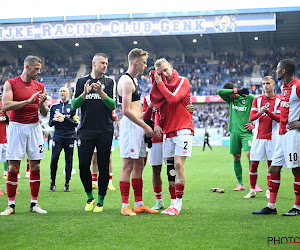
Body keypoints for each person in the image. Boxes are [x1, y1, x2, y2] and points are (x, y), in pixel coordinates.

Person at [0, 55, 48, 215]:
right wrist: (28, 101)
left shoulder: (40, 86)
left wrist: (41, 104)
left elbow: (45, 113)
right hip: (16, 127)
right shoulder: (11, 83)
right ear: (27, 67)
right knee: (13, 167)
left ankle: (34, 204)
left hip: (34, 127)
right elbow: (6, 105)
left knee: (35, 166)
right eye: (36, 69)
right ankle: (11, 206)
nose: (38, 72)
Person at [253, 59, 300, 216]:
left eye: (278, 69)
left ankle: (297, 207)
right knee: (274, 168)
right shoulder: (284, 87)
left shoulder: (297, 86)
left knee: (296, 169)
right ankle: (271, 206)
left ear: (284, 71)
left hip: (294, 135)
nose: (276, 71)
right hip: (282, 134)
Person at [71, 53, 116, 213]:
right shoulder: (82, 81)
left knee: (103, 165)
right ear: (94, 63)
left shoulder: (109, 82)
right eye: (102, 63)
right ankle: (90, 196)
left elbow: (113, 105)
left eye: (106, 63)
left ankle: (100, 201)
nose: (105, 65)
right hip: (85, 131)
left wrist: (101, 93)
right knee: (83, 165)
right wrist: (84, 93)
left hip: (105, 130)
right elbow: (74, 105)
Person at [150, 58, 194, 215]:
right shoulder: (160, 89)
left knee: (178, 164)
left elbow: (173, 99)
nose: (165, 74)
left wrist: (159, 83)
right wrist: (156, 123)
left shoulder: (183, 80)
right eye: (161, 73)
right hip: (167, 132)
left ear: (172, 67)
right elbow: (158, 107)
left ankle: (178, 204)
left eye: (166, 70)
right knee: (170, 169)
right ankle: (172, 203)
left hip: (183, 129)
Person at [118, 48, 157, 216]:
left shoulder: (134, 80)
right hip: (131, 126)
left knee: (140, 164)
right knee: (128, 165)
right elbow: (126, 110)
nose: (145, 66)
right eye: (144, 62)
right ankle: (125, 205)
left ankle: (139, 204)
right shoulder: (126, 81)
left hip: (138, 126)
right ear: (136, 62)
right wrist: (145, 126)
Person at [218, 83, 262, 191]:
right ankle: (240, 183)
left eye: (230, 94)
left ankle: (254, 184)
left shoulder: (249, 98)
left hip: (246, 133)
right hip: (234, 132)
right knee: (236, 157)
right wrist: (236, 91)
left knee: (250, 155)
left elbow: (262, 109)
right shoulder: (230, 100)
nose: (229, 96)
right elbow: (220, 92)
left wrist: (254, 124)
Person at [244, 76, 280, 199]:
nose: (265, 86)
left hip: (273, 138)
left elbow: (279, 119)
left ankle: (269, 191)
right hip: (258, 137)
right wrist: (261, 112)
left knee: (271, 165)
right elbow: (251, 117)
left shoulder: (279, 101)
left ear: (274, 85)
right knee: (253, 164)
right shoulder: (257, 100)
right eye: (264, 83)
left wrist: (267, 112)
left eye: (268, 83)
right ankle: (252, 190)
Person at [48, 87, 78, 192]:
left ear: (68, 93)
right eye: (60, 91)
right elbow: (50, 124)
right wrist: (55, 119)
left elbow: (76, 123)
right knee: (54, 158)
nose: (62, 93)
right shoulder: (54, 106)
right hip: (58, 136)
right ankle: (52, 183)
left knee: (68, 160)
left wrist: (65, 118)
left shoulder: (73, 106)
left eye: (64, 91)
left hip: (70, 137)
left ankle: (67, 183)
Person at [0, 90, 9, 195]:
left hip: (5, 139)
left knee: (8, 159)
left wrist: (5, 112)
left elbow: (8, 121)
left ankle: (5, 173)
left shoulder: (4, 106)